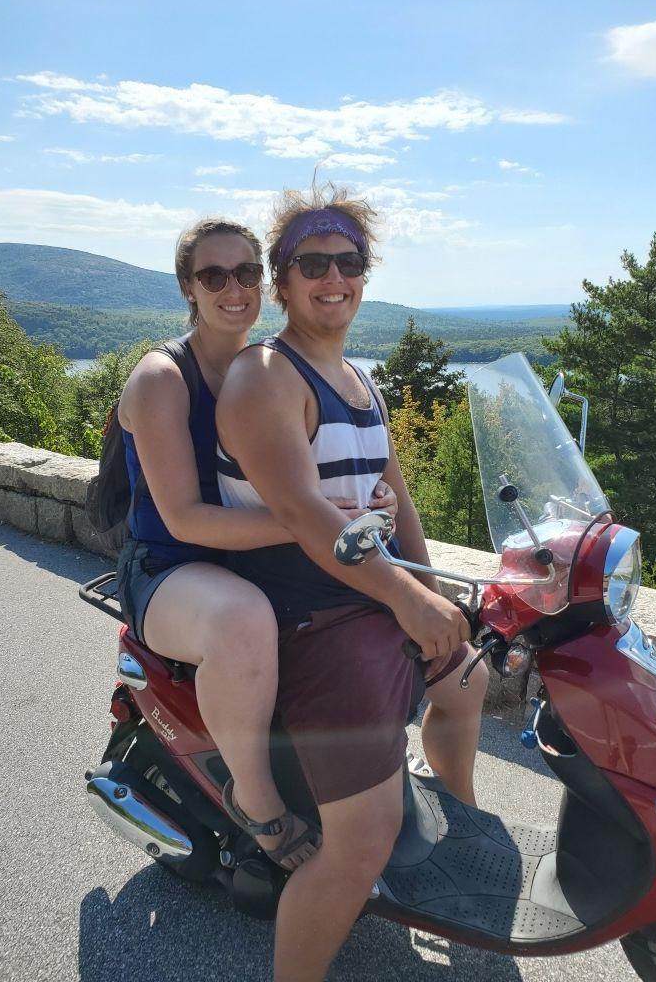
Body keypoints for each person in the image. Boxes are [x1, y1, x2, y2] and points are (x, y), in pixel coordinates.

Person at [216, 187, 489, 981]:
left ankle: (459, 831)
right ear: (283, 278)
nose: (334, 277)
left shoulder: (356, 376)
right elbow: (302, 513)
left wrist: (437, 583)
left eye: (350, 262)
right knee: (358, 842)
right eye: (314, 264)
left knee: (465, 678)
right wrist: (406, 598)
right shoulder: (266, 375)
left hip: (363, 591)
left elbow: (393, 494)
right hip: (310, 611)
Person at [115, 217, 399, 871]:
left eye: (247, 272)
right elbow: (183, 519)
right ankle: (260, 802)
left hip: (251, 556)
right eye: (214, 275)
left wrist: (367, 501)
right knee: (244, 620)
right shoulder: (164, 379)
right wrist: (321, 522)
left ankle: (356, 772)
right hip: (172, 567)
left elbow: (315, 479)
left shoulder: (267, 368)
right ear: (189, 286)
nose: (234, 287)